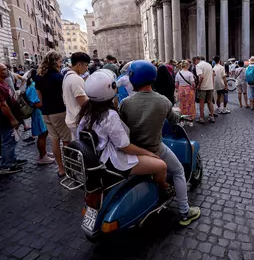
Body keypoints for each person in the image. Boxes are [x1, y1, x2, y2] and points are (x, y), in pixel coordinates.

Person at [120, 60, 200, 226]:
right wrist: (179, 114)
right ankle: (185, 212)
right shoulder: (163, 101)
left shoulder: (125, 103)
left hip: (134, 151)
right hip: (155, 148)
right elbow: (174, 118)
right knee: (178, 171)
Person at [77, 69, 174, 197]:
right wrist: (149, 153)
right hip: (112, 161)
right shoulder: (109, 115)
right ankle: (163, 187)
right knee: (161, 165)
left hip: (97, 157)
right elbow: (125, 147)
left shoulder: (86, 111)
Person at [36, 51, 72, 177]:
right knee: (66, 140)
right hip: (59, 111)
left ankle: (61, 169)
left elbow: (39, 97)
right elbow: (65, 95)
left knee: (55, 140)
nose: (61, 63)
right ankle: (70, 167)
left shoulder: (39, 76)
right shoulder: (59, 77)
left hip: (45, 112)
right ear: (55, 61)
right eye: (60, 61)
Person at [0, 63, 27, 174]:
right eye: (4, 70)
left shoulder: (4, 82)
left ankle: (12, 159)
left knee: (11, 140)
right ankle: (6, 166)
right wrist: (12, 118)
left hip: (9, 117)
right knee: (8, 140)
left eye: (6, 69)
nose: (7, 71)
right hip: (5, 119)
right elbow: (3, 105)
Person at [25, 69, 54, 165]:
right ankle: (42, 157)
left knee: (43, 134)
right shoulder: (33, 87)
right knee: (42, 134)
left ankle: (44, 153)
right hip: (39, 113)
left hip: (39, 113)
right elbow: (37, 104)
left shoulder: (33, 85)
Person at [62, 52, 90, 139]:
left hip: (71, 118)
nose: (87, 68)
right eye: (86, 65)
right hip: (78, 120)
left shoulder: (67, 76)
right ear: (79, 64)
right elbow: (84, 103)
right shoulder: (76, 79)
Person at [192, 56, 215, 124]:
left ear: (196, 60)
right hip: (210, 86)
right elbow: (213, 75)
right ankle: (212, 116)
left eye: (194, 62)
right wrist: (212, 85)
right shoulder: (209, 64)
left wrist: (198, 85)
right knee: (209, 101)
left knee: (201, 103)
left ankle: (201, 118)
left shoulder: (198, 66)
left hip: (203, 87)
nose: (194, 64)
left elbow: (201, 76)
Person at [175, 60, 196, 126]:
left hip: (181, 89)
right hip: (189, 90)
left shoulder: (178, 73)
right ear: (187, 65)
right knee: (190, 104)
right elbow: (193, 84)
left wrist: (180, 88)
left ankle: (182, 120)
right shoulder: (189, 73)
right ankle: (190, 121)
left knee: (182, 105)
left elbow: (176, 84)